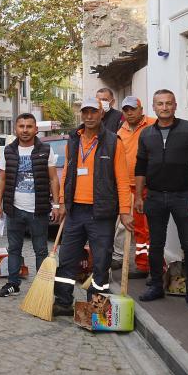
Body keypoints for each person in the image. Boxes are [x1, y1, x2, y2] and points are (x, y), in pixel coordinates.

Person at [52, 98, 132, 316]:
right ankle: (63, 302)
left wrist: (125, 211)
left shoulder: (114, 142)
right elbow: (67, 173)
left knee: (101, 262)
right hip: (75, 211)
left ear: (101, 114)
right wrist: (61, 202)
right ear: (81, 114)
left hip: (102, 213)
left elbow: (123, 180)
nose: (89, 116)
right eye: (85, 112)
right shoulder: (73, 141)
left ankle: (95, 308)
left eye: (93, 112)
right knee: (67, 260)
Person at [135, 89, 188, 310]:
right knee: (155, 244)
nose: (164, 107)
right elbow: (140, 167)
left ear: (175, 105)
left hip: (183, 197)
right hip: (155, 197)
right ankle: (157, 286)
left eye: (168, 103)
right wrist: (139, 196)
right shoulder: (146, 134)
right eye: (160, 104)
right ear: (154, 106)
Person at [0, 113, 62, 297]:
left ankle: (42, 287)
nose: (25, 130)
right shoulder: (8, 151)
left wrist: (56, 205)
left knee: (40, 249)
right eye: (21, 126)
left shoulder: (45, 150)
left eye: (29, 126)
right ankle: (12, 284)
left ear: (36, 129)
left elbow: (54, 178)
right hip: (14, 209)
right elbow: (2, 179)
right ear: (15, 129)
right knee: (14, 248)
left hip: (38, 209)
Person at [111, 96, 157, 278]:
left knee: (149, 228)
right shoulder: (120, 131)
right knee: (136, 229)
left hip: (148, 186)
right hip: (127, 187)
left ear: (141, 109)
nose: (130, 113)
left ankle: (150, 265)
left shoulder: (153, 124)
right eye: (126, 110)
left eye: (133, 109)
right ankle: (142, 264)